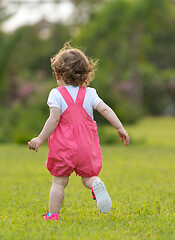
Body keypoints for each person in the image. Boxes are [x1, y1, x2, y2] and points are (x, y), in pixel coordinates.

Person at [28, 43, 129, 221]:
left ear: (58, 74)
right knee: (88, 177)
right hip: (85, 144)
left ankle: (53, 215)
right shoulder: (90, 93)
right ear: (84, 74)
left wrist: (40, 138)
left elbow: (54, 119)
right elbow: (105, 109)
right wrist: (119, 127)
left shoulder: (56, 94)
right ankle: (96, 184)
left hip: (63, 145)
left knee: (59, 181)